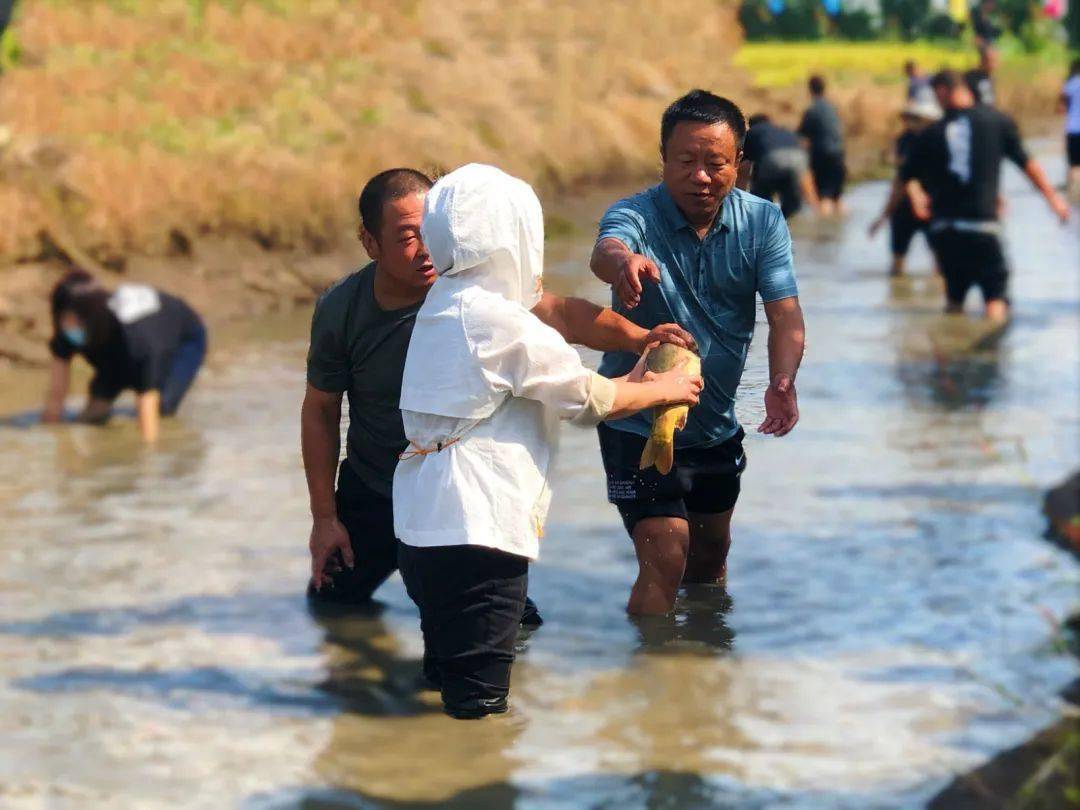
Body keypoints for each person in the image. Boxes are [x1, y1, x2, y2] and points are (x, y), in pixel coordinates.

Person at [303, 168, 694, 613]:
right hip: (376, 486)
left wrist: (638, 337)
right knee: (331, 609)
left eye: (432, 231)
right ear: (370, 242)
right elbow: (320, 410)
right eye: (407, 236)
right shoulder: (342, 310)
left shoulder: (475, 286)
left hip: (463, 498)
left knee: (503, 630)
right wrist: (324, 518)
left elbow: (563, 315)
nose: (426, 250)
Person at [392, 163, 704, 719]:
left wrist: (636, 381)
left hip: (424, 531)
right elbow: (586, 400)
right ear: (512, 237)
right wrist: (668, 388)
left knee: (445, 682)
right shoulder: (496, 320)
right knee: (481, 713)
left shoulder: (446, 302)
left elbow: (569, 380)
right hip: (476, 535)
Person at [590, 90, 806, 616]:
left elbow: (784, 315)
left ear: (740, 165)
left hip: (713, 427)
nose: (701, 176)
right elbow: (606, 248)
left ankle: (706, 675)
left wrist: (783, 380)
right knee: (666, 555)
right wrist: (623, 264)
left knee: (709, 563)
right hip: (634, 422)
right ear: (663, 160)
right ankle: (656, 680)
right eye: (686, 162)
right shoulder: (634, 214)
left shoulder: (763, 223)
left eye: (716, 163)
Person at [902, 70, 1070, 321]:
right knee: (995, 299)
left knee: (954, 301)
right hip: (983, 227)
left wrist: (915, 197)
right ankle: (991, 357)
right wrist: (1053, 199)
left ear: (942, 92)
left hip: (945, 231)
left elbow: (906, 174)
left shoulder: (931, 133)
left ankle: (948, 354)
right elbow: (1027, 164)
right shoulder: (997, 121)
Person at [42, 271, 207, 443]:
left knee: (160, 409)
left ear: (91, 317)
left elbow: (147, 408)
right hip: (116, 348)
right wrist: (51, 435)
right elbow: (56, 393)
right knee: (93, 414)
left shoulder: (139, 341)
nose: (69, 326)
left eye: (73, 320)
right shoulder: (68, 331)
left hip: (183, 339)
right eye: (63, 319)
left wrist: (149, 461)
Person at [868, 98, 942, 276]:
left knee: (940, 264)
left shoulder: (939, 141)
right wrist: (884, 216)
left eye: (916, 119)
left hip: (932, 206)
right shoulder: (906, 141)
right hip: (906, 208)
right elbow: (903, 179)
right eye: (908, 119)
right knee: (897, 264)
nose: (910, 123)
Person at [743, 113, 818, 219]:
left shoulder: (752, 132)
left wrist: (738, 196)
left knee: (760, 200)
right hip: (799, 158)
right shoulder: (783, 131)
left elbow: (744, 166)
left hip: (773, 159)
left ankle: (764, 223)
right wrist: (814, 202)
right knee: (791, 202)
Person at [798, 74, 847, 216]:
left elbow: (801, 137)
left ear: (810, 90)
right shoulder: (833, 108)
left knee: (824, 197)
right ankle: (840, 234)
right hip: (839, 154)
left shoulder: (812, 111)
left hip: (822, 156)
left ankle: (824, 233)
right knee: (837, 197)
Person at [1059, 59, 1080, 197]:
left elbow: (1061, 108)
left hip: (1072, 129)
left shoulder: (1069, 84)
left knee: (1074, 166)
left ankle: (1072, 197)